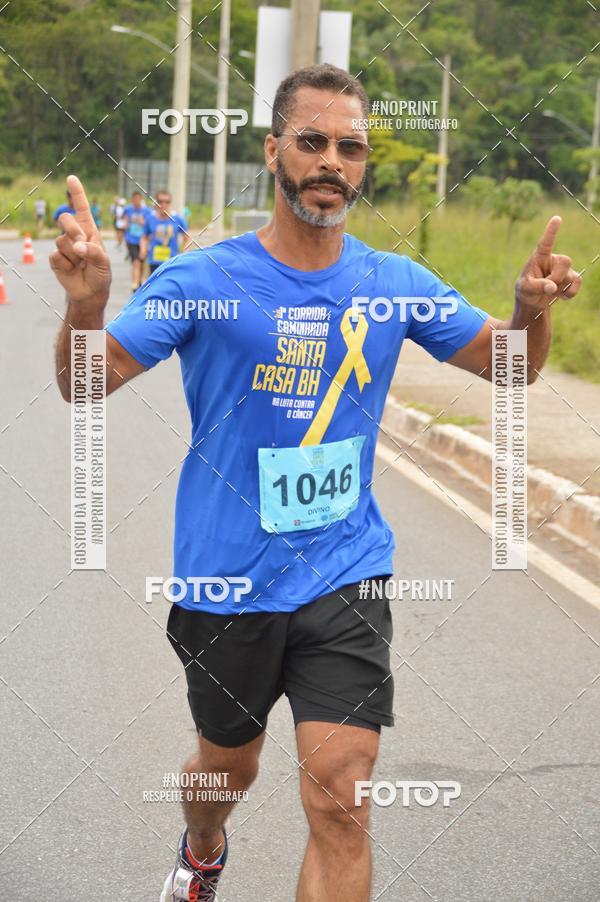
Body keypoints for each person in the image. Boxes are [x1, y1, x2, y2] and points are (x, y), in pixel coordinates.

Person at [50, 64, 582, 902]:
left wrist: (533, 308)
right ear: (274, 151)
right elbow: (86, 383)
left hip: (346, 570)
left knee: (343, 790)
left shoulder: (392, 281)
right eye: (312, 141)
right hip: (226, 579)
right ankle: (202, 846)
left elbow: (510, 370)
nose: (332, 160)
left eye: (351, 146)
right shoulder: (204, 279)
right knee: (226, 770)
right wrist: (85, 308)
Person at [141, 189, 186, 277]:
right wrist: (143, 249)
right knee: (155, 288)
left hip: (171, 261)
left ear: (170, 203)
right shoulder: (150, 218)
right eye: (160, 201)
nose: (163, 204)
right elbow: (144, 237)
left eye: (167, 202)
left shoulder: (177, 219)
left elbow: (187, 237)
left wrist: (183, 252)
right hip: (154, 261)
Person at [122, 190, 149, 291]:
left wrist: (144, 222)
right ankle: (135, 283)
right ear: (132, 200)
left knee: (142, 262)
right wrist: (125, 223)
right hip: (131, 239)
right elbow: (124, 219)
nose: (136, 201)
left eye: (138, 199)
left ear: (141, 199)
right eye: (134, 199)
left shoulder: (146, 211)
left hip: (142, 240)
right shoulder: (128, 209)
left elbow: (149, 224)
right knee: (135, 262)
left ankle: (140, 279)